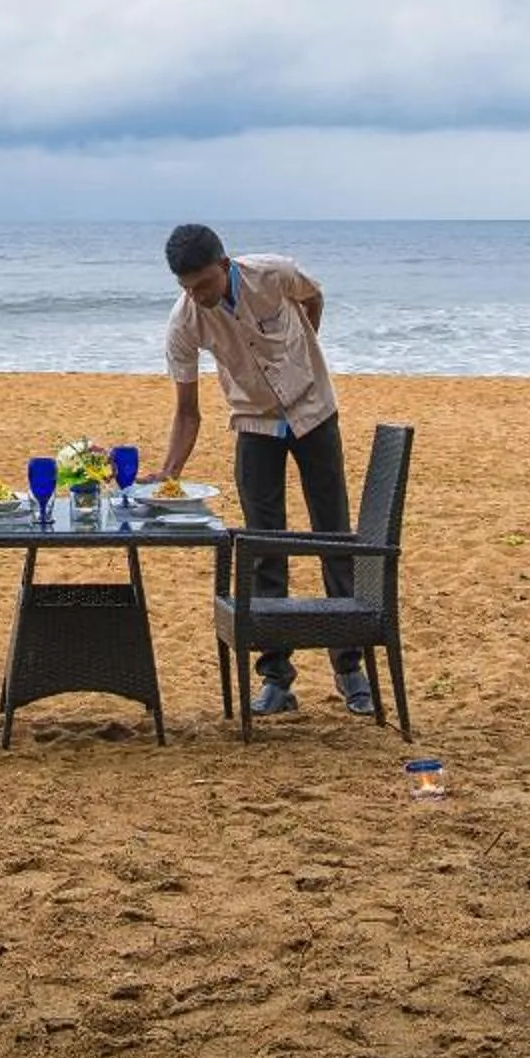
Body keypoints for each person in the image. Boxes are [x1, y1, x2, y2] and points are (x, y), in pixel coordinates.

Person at [156, 221, 371, 719]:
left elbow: (315, 298)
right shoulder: (185, 321)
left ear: (224, 265)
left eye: (204, 284)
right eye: (187, 288)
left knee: (334, 536)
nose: (198, 296)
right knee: (262, 547)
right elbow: (188, 412)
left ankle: (350, 669)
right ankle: (277, 679)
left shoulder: (274, 275)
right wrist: (168, 472)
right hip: (253, 423)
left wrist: (305, 354)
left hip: (314, 411)